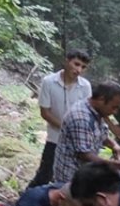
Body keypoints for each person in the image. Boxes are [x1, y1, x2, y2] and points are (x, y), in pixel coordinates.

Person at [28, 49, 94, 189]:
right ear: (67, 61)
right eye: (76, 64)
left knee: (73, 180)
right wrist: (66, 128)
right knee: (44, 176)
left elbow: (88, 113)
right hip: (55, 139)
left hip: (77, 142)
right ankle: (27, 201)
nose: (78, 70)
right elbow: (45, 112)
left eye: (83, 67)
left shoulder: (85, 86)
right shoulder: (49, 81)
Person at [51, 82, 120, 184]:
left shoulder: (97, 111)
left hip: (84, 173)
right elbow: (85, 155)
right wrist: (118, 165)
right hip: (70, 176)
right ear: (101, 99)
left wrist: (114, 145)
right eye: (114, 107)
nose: (115, 112)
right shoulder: (81, 118)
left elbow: (100, 134)